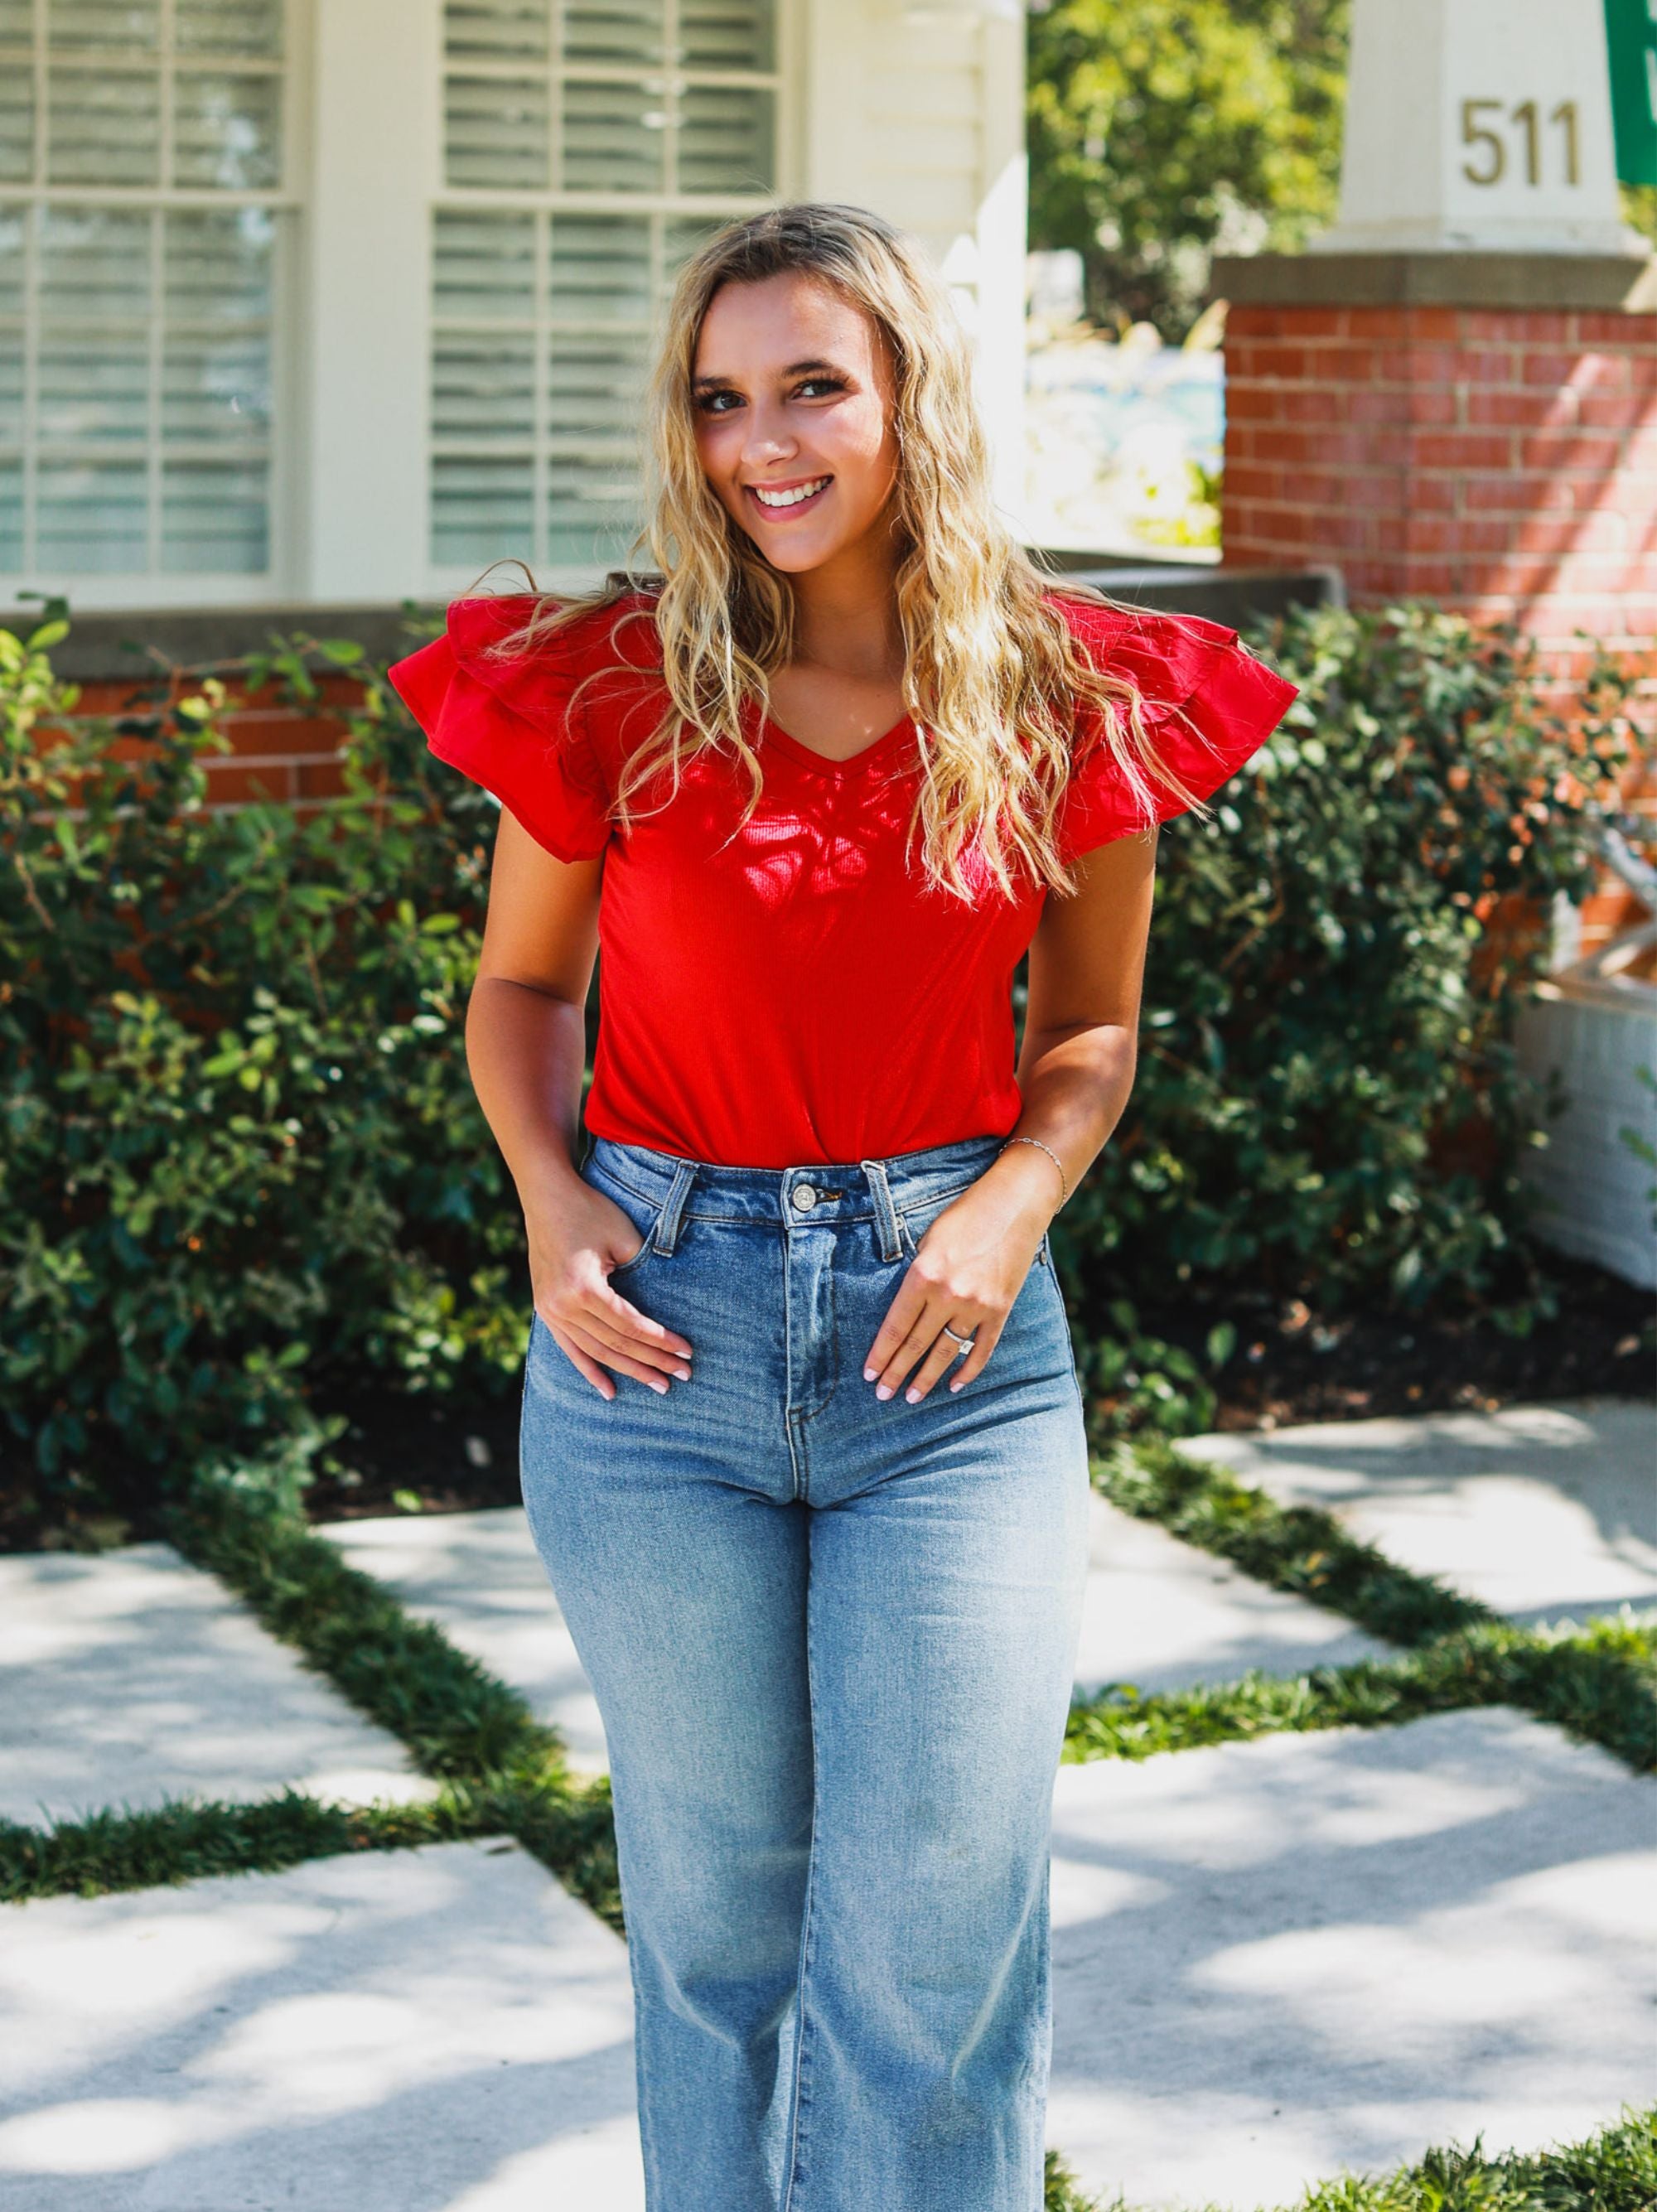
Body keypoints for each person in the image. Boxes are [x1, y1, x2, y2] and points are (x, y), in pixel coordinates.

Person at [388, 200, 1298, 2212]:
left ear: (905, 396)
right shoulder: (616, 684)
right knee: (717, 1938)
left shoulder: (1063, 693)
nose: (763, 441)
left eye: (812, 385)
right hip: (659, 1346)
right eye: (724, 399)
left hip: (949, 1360)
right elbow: (527, 991)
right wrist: (549, 1202)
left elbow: (1089, 1033)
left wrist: (1010, 1207)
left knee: (939, 1938)